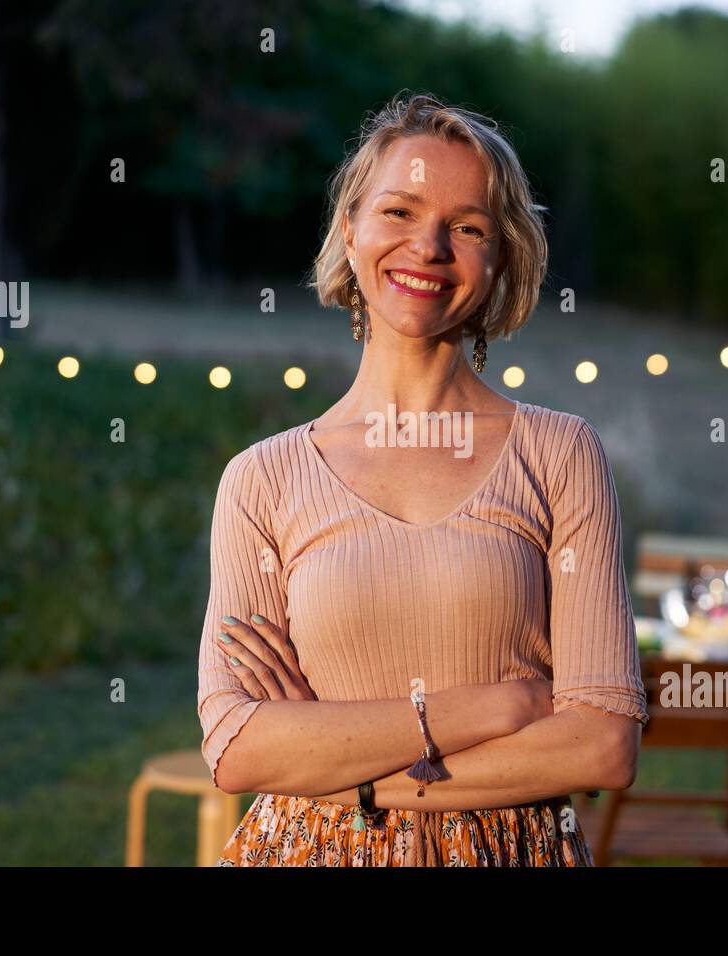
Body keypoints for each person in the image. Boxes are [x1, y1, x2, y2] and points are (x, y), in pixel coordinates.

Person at [197, 90, 648, 866]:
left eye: (466, 227)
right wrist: (497, 707)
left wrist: (345, 772)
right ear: (351, 228)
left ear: (499, 256)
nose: (428, 247)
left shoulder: (560, 455)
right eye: (399, 212)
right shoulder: (261, 480)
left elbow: (601, 746)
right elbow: (239, 747)